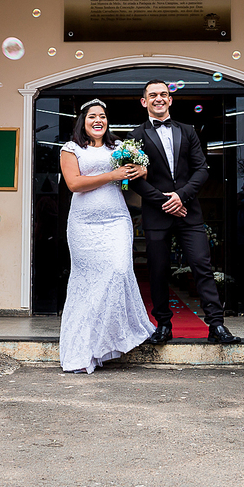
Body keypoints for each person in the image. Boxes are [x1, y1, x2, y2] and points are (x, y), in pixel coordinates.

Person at [128, 80, 240, 345]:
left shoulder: (188, 131)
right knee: (158, 271)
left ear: (170, 99)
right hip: (156, 214)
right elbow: (133, 178)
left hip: (189, 211)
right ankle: (163, 325)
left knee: (202, 266)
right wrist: (165, 201)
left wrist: (181, 196)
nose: (158, 98)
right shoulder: (135, 136)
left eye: (163, 94)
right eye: (152, 95)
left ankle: (216, 325)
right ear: (144, 101)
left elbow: (202, 169)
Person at [58, 99, 156, 372]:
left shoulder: (119, 147)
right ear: (83, 121)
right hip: (83, 224)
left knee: (118, 271)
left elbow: (137, 173)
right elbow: (74, 183)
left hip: (116, 220)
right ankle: (82, 351)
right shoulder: (71, 149)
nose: (98, 120)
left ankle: (104, 341)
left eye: (102, 116)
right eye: (92, 116)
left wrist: (141, 170)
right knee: (87, 284)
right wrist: (112, 175)